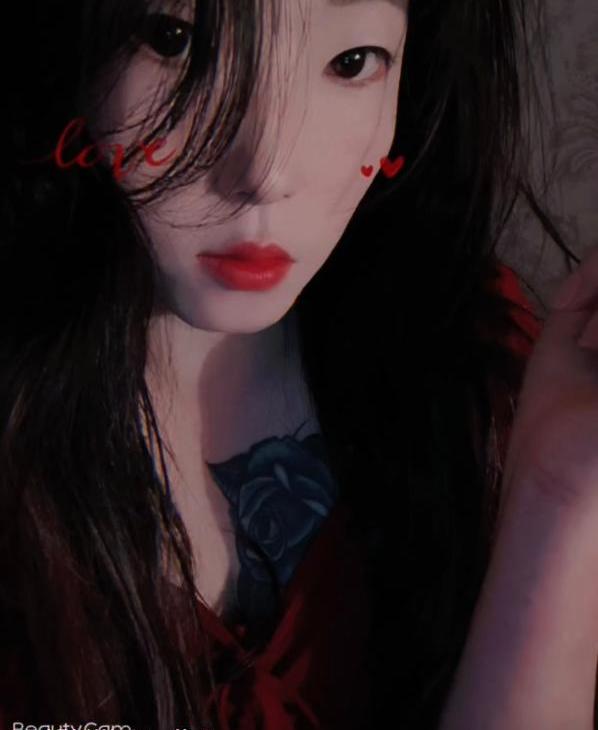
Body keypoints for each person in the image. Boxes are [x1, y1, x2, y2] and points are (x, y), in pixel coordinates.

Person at [1, 0, 588, 728]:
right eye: (176, 41)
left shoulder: (476, 362)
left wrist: (558, 501)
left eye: (352, 62)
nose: (267, 171)